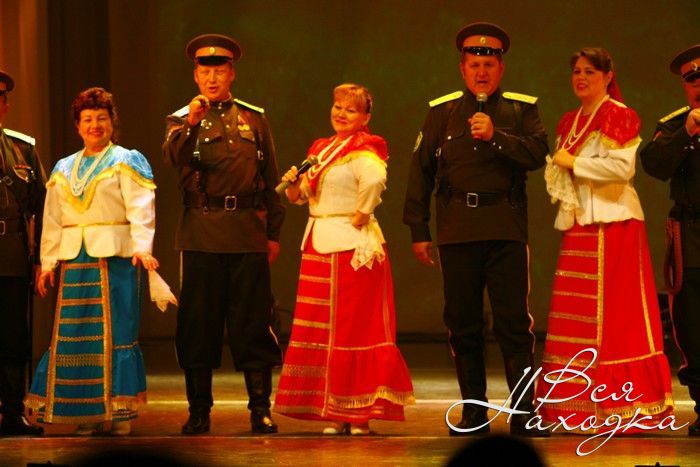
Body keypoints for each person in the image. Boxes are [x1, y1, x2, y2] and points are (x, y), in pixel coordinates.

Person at [402, 22, 549, 437]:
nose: (481, 72)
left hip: (505, 228)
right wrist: (418, 229)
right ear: (462, 69)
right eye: (474, 65)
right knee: (463, 323)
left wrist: (496, 136)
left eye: (488, 65)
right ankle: (473, 411)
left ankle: (523, 411)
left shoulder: (521, 110)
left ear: (501, 68)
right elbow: (420, 172)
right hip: (457, 230)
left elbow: (538, 153)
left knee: (513, 323)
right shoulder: (443, 112)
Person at [537, 47, 674, 428]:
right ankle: (574, 408)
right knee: (575, 318)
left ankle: (621, 405)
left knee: (616, 317)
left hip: (613, 224)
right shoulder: (570, 120)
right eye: (577, 71)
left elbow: (621, 169)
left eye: (590, 72)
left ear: (608, 76)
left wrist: (575, 163)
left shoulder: (618, 114)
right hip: (580, 224)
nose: (581, 78)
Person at [274, 83, 415, 435]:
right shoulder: (322, 149)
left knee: (352, 330)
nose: (341, 114)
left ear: (365, 117)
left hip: (351, 249)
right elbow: (302, 196)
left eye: (351, 110)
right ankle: (334, 411)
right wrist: (293, 184)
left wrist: (362, 213)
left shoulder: (366, 147)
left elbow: (375, 180)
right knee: (324, 331)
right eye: (338, 106)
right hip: (319, 242)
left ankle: (359, 412)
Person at [163, 33, 285, 435]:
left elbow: (270, 179)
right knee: (199, 326)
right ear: (195, 76)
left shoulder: (254, 118)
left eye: (219, 70)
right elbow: (172, 157)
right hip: (201, 233)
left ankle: (260, 409)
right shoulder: (181, 120)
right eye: (205, 71)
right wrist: (192, 123)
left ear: (232, 73)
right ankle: (199, 411)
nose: (212, 78)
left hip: (248, 232)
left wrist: (272, 233)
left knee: (254, 325)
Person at [25, 87, 159, 436]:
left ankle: (118, 411)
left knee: (116, 332)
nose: (95, 125)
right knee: (78, 334)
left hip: (115, 258)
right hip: (75, 261)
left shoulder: (126, 160)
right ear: (77, 125)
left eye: (101, 118)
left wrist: (142, 247)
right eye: (87, 119)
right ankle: (84, 409)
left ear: (112, 122)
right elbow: (52, 218)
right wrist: (48, 262)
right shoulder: (63, 167)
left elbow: (141, 208)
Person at [640, 44, 700, 436]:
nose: (699, 87)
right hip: (692, 233)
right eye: (692, 80)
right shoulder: (676, 125)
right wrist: (687, 133)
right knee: (692, 324)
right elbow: (653, 163)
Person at [0, 70, 45, 436]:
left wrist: (41, 258)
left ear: (6, 105)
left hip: (12, 254)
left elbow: (43, 207)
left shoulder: (22, 148)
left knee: (14, 337)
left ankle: (14, 412)